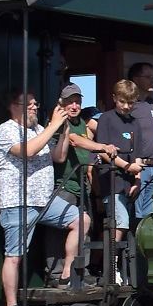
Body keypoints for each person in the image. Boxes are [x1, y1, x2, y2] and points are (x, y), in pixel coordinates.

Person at [0, 91, 76, 306]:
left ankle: (67, 273)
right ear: (13, 107)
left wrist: (64, 130)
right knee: (14, 256)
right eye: (27, 104)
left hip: (45, 201)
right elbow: (28, 151)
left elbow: (58, 156)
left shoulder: (39, 130)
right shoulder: (5, 131)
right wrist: (53, 125)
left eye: (35, 104)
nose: (33, 108)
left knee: (81, 220)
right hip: (17, 203)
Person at [51, 84, 119, 284]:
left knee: (85, 228)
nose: (74, 105)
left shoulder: (81, 123)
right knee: (60, 231)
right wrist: (103, 147)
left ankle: (82, 271)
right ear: (60, 103)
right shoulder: (58, 123)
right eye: (70, 102)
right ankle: (56, 274)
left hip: (82, 184)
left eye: (77, 101)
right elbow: (74, 141)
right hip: (63, 184)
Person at [93, 79, 148, 283]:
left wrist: (138, 178)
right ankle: (110, 270)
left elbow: (138, 155)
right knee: (119, 224)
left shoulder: (135, 123)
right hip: (112, 180)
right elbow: (103, 150)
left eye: (131, 102)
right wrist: (126, 166)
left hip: (129, 184)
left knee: (130, 228)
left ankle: (126, 272)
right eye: (123, 101)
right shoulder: (106, 119)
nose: (126, 106)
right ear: (114, 98)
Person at [126, 62, 153, 221]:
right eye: (148, 77)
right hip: (138, 168)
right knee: (136, 217)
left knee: (150, 218)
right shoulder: (130, 106)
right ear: (136, 79)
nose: (152, 80)